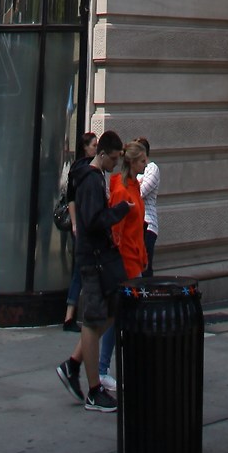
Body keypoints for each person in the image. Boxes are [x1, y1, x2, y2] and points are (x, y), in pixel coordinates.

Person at [56, 131, 128, 412]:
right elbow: (93, 219)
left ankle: (73, 364)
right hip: (93, 257)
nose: (115, 163)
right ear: (102, 154)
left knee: (110, 311)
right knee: (94, 318)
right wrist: (120, 210)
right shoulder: (91, 180)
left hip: (99, 256)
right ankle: (94, 390)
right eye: (113, 158)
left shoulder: (94, 178)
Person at [97, 142, 149, 391]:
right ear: (132, 162)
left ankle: (108, 366)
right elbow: (115, 232)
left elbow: (137, 226)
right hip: (125, 264)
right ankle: (104, 367)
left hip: (135, 259)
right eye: (142, 161)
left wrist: (143, 255)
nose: (146, 165)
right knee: (122, 316)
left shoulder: (134, 187)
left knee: (121, 317)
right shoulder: (121, 190)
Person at [60, 131, 97, 331]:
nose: (96, 148)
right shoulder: (86, 168)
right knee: (81, 270)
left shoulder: (81, 167)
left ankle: (71, 315)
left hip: (82, 225)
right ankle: (70, 316)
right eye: (93, 145)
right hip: (84, 227)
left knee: (80, 269)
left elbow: (71, 197)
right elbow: (72, 198)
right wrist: (75, 224)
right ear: (85, 147)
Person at [135, 138, 160, 275]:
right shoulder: (134, 171)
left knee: (145, 266)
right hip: (134, 223)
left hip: (148, 222)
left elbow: (140, 192)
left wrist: (135, 184)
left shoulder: (152, 168)